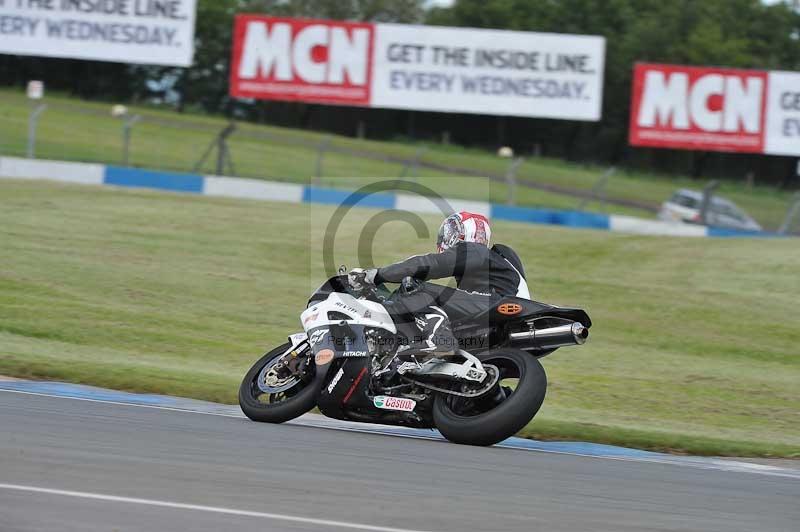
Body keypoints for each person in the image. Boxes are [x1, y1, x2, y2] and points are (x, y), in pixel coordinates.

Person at [348, 211, 530, 357]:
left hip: (499, 306)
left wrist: (377, 275)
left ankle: (441, 341)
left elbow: (427, 264)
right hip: (496, 316)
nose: (446, 236)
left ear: (467, 233)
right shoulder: (491, 264)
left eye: (452, 230)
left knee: (412, 285)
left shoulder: (475, 250)